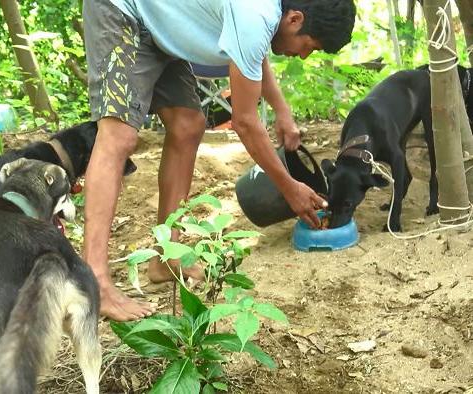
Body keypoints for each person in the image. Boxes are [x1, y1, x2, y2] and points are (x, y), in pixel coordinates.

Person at [81, 0, 356, 321]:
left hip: (160, 25)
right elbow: (244, 121)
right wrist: (289, 189)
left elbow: (252, 53)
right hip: (122, 10)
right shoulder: (258, 13)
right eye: (309, 46)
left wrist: (282, 111)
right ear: (295, 19)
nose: (304, 55)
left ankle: (166, 256)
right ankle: (94, 282)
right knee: (119, 135)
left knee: (188, 125)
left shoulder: (267, 16)